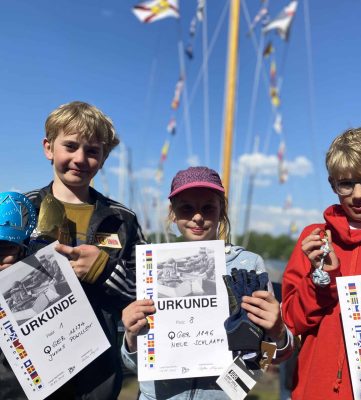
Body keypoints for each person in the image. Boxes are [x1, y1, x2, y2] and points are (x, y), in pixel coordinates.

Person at [0, 101, 146, 400]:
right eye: (70, 146)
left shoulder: (122, 219)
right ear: (48, 148)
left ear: (103, 158)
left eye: (92, 151)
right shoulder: (19, 209)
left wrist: (104, 270)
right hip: (23, 377)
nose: (80, 158)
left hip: (97, 376)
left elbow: (146, 291)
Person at [121, 166, 293, 399]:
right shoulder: (153, 266)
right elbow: (133, 364)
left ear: (222, 210)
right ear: (173, 213)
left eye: (208, 208)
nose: (198, 217)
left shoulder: (248, 265)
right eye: (187, 208)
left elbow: (267, 356)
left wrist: (278, 333)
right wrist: (131, 338)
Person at [282, 127, 361, 399]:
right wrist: (322, 279)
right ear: (333, 184)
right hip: (319, 390)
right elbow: (291, 321)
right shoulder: (316, 239)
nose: (358, 194)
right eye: (346, 184)